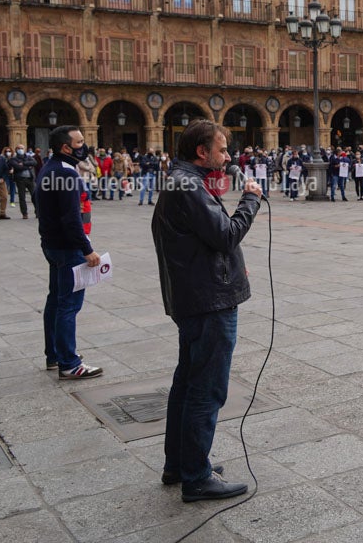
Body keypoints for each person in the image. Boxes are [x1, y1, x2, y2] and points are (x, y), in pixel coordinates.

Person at [152, 119, 262, 502]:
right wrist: (250, 199)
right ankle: (196, 477)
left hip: (194, 295)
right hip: (208, 301)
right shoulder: (187, 186)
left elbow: (206, 240)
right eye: (223, 149)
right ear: (202, 152)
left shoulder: (180, 180)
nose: (229, 156)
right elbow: (226, 234)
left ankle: (180, 464)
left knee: (187, 382)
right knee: (206, 388)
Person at [36, 125, 103, 378]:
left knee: (55, 300)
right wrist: (87, 249)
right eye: (80, 141)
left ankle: (54, 354)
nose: (84, 145)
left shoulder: (48, 168)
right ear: (66, 147)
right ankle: (69, 363)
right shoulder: (67, 173)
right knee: (68, 305)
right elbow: (71, 218)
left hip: (52, 245)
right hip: (68, 247)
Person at [10, 144, 37, 219]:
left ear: (24, 149)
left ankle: (38, 212)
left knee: (35, 196)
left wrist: (24, 164)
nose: (20, 150)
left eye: (21, 148)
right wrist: (28, 166)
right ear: (16, 150)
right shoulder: (14, 159)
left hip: (30, 179)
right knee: (22, 197)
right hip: (20, 180)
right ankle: (24, 213)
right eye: (18, 148)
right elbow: (17, 167)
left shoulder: (28, 157)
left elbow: (34, 163)